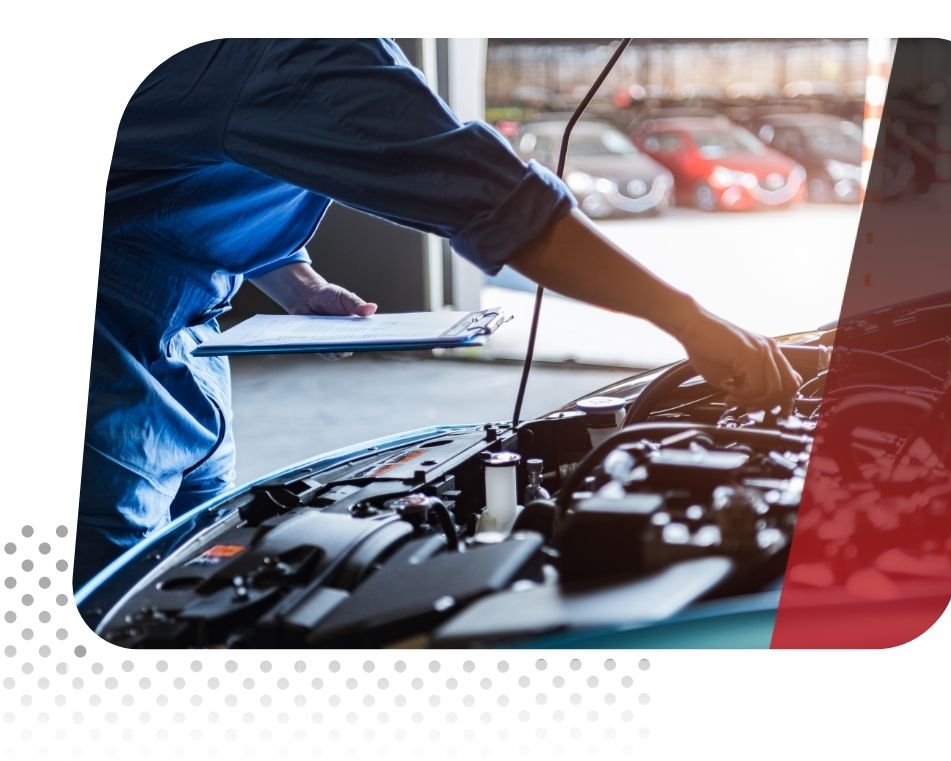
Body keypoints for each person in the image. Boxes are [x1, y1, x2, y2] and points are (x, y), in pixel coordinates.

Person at [75, 39, 801, 589]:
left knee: (196, 567)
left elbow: (179, 173)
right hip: (103, 349)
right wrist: (691, 322)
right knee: (111, 596)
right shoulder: (294, 44)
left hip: (190, 345)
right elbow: (502, 207)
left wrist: (294, 281)